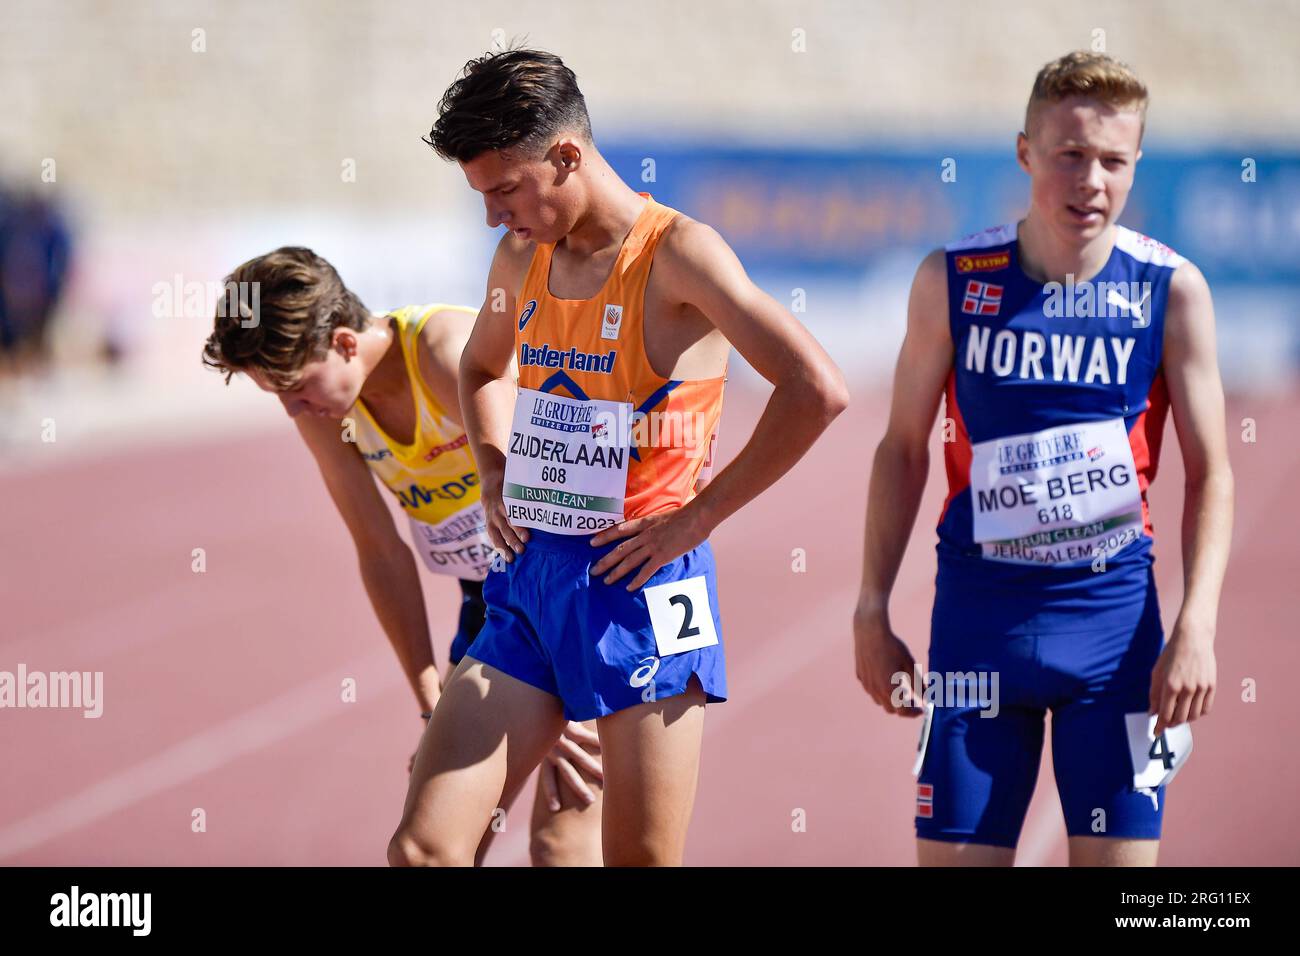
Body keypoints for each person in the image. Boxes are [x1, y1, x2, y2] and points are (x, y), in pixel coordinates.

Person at [387, 48, 848, 867]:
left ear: (565, 156)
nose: (495, 216)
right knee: (425, 849)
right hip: (530, 581)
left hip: (642, 590)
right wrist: (493, 468)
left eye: (503, 190)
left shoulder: (680, 257)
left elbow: (816, 388)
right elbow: (483, 365)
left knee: (637, 860)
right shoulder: (518, 257)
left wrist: (698, 518)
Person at [853, 51, 1234, 866]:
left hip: (1115, 642)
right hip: (975, 636)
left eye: (1113, 160)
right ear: (1026, 152)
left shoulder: (1172, 291)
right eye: (1070, 154)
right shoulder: (953, 281)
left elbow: (1212, 472)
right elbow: (901, 448)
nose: (1090, 179)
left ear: (1136, 165)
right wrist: (869, 606)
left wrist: (1197, 623)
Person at [202, 246, 604, 865]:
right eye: (277, 395)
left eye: (295, 389)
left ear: (342, 342)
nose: (291, 409)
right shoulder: (329, 411)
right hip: (493, 603)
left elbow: (571, 502)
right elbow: (380, 550)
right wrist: (429, 699)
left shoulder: (446, 354)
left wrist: (551, 687)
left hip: (579, 588)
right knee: (437, 849)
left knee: (560, 841)